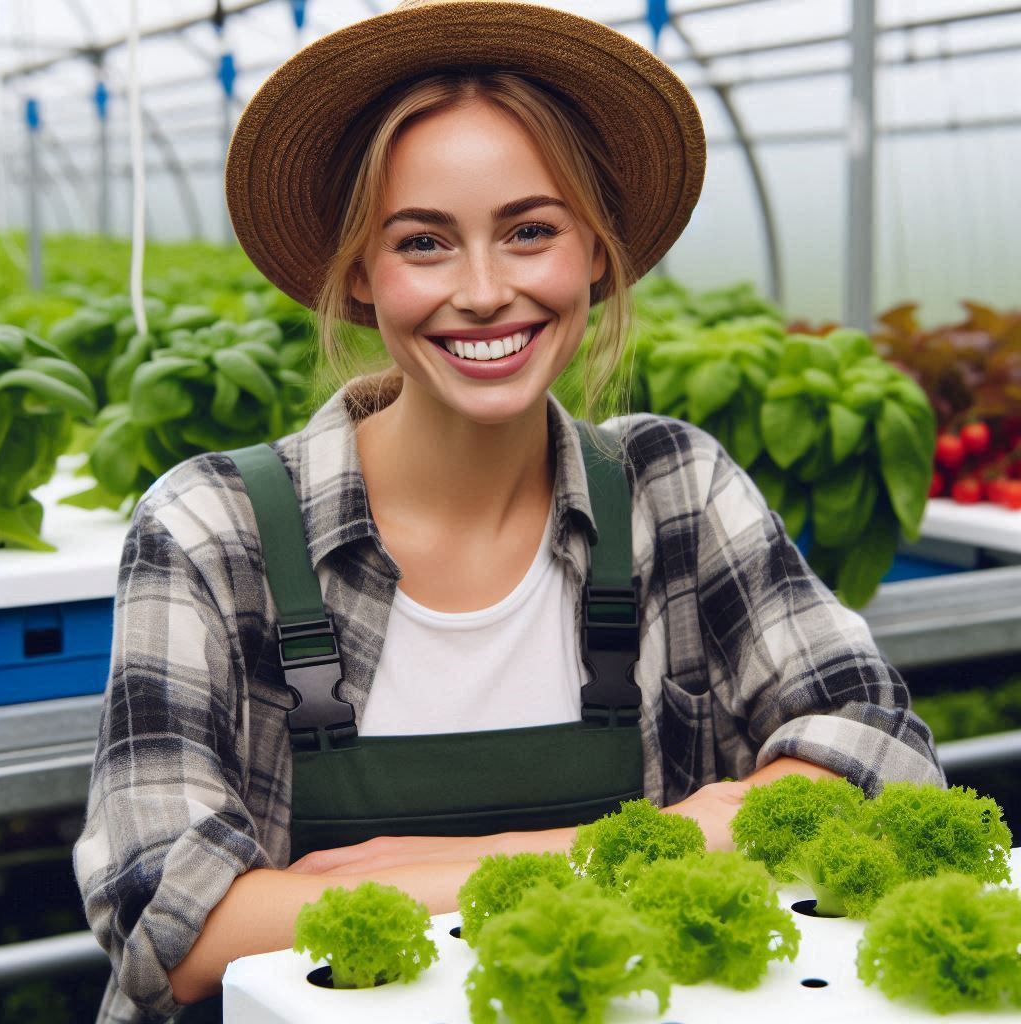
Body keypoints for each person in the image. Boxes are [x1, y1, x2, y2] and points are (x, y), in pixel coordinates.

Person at [74, 1, 944, 1020]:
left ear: (595, 254)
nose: (485, 291)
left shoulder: (675, 490)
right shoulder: (213, 529)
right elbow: (170, 920)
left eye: (529, 231)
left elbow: (880, 752)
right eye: (424, 242)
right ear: (360, 274)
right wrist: (693, 825)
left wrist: (477, 860)